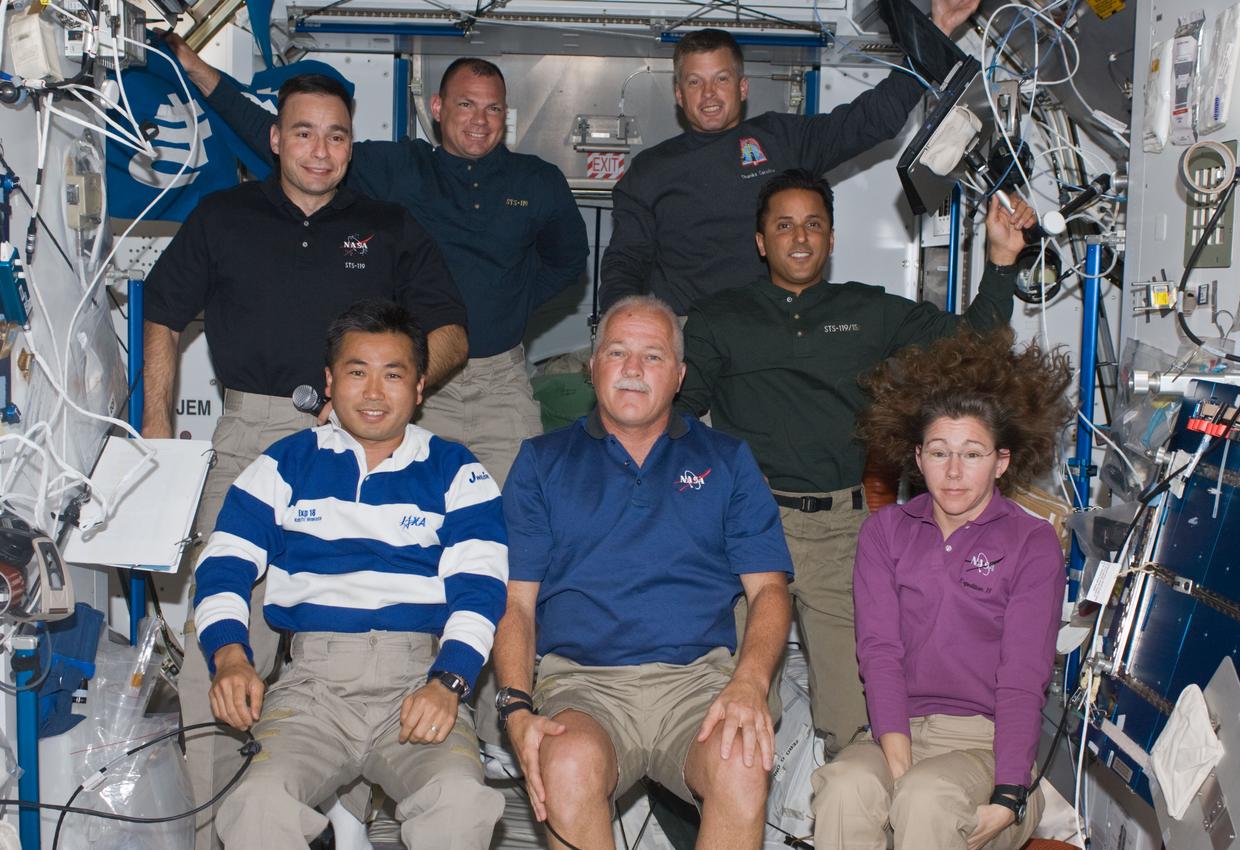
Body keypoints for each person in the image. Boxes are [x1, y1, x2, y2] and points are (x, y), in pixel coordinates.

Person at [141, 73, 468, 850]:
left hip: (368, 446)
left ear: (350, 146)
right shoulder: (224, 217)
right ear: (276, 138)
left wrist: (387, 395)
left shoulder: (388, 224)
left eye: (337, 136)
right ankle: (222, 829)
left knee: (385, 631)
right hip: (252, 433)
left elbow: (451, 328)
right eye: (304, 133)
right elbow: (160, 308)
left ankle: (407, 811)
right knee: (223, 649)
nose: (320, 151)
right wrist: (156, 424)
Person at [677, 169, 1036, 753]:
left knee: (857, 719)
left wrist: (1000, 261)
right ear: (761, 241)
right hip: (745, 530)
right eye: (784, 225)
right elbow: (680, 419)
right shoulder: (720, 318)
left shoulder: (868, 311)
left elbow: (972, 343)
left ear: (833, 238)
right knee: (736, 721)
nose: (800, 237)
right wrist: (720, 479)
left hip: (840, 533)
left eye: (814, 224)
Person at [165, 37, 589, 484]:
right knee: (409, 522)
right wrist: (198, 70)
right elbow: (279, 134)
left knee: (517, 516)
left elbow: (568, 261)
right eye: (466, 105)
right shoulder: (398, 167)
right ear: (438, 107)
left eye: (493, 109)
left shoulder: (539, 181)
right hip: (417, 384)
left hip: (500, 385)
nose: (479, 121)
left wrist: (514, 302)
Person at [195, 299, 508, 850]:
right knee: (256, 805)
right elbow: (223, 563)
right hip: (311, 688)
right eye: (356, 372)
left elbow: (480, 591)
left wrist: (449, 681)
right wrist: (229, 656)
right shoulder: (286, 462)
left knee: (460, 804)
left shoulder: (456, 469)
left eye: (393, 375)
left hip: (419, 679)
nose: (372, 391)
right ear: (329, 381)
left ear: (419, 388)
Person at [494, 295, 794, 849]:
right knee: (565, 764)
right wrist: (515, 709)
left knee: (742, 760)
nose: (633, 369)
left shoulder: (727, 460)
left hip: (699, 682)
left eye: (652, 356)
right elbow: (517, 604)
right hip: (584, 684)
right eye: (617, 352)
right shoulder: (541, 462)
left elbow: (771, 590)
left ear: (678, 375)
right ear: (592, 365)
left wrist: (749, 683)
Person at [810, 326, 1072, 849]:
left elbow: (1024, 677)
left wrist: (1009, 793)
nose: (953, 472)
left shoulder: (1032, 543)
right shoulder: (886, 533)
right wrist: (898, 759)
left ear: (1001, 462)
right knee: (844, 786)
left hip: (986, 744)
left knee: (926, 798)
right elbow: (879, 653)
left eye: (972, 454)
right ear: (917, 456)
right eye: (938, 452)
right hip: (897, 729)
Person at [599, 1, 978, 315]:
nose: (709, 94)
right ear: (679, 94)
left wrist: (936, 28)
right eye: (695, 82)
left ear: (743, 87)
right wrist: (622, 327)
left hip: (775, 331)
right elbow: (625, 264)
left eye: (722, 79)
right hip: (688, 334)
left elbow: (870, 120)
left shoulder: (780, 138)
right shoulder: (649, 171)